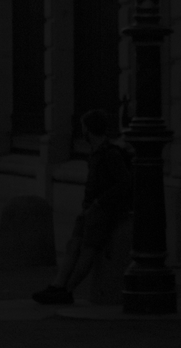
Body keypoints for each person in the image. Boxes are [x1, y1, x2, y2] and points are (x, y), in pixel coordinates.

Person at [32, 109, 132, 305]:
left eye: (83, 127)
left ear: (87, 130)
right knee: (73, 245)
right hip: (89, 209)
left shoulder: (110, 154)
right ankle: (57, 286)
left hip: (101, 210)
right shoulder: (95, 153)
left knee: (88, 250)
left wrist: (98, 202)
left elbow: (124, 184)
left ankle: (67, 291)